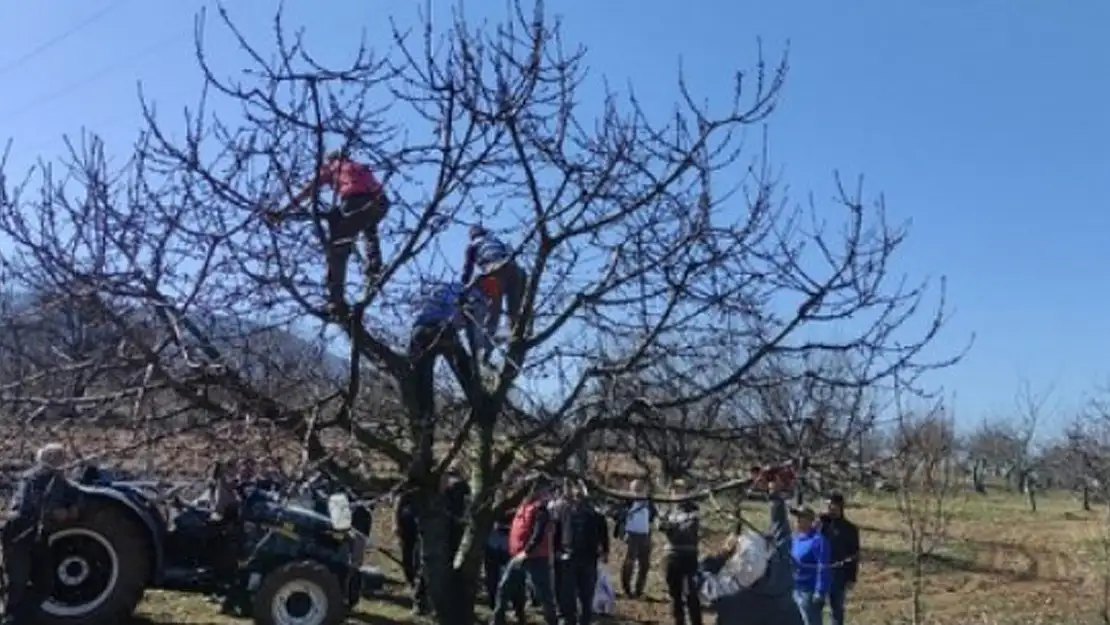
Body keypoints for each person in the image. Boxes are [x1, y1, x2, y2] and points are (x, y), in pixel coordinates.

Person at [265, 149, 390, 312]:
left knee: (337, 249)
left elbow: (308, 190)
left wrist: (284, 211)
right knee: (369, 228)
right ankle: (375, 266)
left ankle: (335, 300)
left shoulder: (333, 167)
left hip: (354, 201)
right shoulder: (359, 166)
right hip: (380, 202)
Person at [698, 466, 804, 625]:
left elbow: (700, 577)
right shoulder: (782, 578)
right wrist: (774, 493)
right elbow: (780, 528)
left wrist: (722, 555)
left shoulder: (728, 596)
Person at [2, 443, 81, 625]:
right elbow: (31, 505)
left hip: (39, 536)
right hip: (19, 532)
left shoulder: (63, 482)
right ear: (45, 460)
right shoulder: (32, 479)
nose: (62, 462)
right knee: (17, 581)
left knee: (44, 583)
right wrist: (56, 512)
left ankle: (22, 617)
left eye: (63, 457)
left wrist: (71, 510)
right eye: (57, 458)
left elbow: (75, 499)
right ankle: (11, 617)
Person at [406, 282, 490, 417]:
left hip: (419, 331)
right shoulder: (480, 300)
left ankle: (423, 420)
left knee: (420, 383)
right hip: (443, 328)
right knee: (464, 366)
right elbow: (475, 336)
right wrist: (484, 355)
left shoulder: (452, 286)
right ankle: (483, 408)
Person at [491, 478, 559, 625]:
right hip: (516, 557)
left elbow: (538, 534)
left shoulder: (540, 510)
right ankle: (497, 620)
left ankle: (553, 621)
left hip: (535, 557)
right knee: (504, 587)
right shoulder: (522, 507)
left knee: (544, 594)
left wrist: (526, 552)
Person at [462, 226, 528, 350]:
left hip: (493, 273)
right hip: (515, 270)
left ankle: (487, 349)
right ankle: (512, 338)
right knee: (514, 312)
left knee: (493, 312)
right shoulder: (496, 241)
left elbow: (467, 271)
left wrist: (464, 290)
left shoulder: (472, 246)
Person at [552, 482, 609, 625]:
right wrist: (556, 550)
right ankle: (569, 620)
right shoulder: (564, 510)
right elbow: (557, 532)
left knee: (587, 593)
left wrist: (605, 552)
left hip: (588, 558)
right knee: (568, 593)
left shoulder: (595, 515)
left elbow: (604, 535)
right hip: (568, 557)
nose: (579, 499)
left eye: (581, 496)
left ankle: (585, 620)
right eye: (576, 495)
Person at [658, 480, 702, 625]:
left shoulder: (693, 509)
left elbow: (687, 531)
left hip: (688, 555)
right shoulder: (668, 510)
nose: (677, 493)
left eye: (680, 489)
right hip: (671, 555)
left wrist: (672, 528)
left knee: (691, 593)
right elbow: (661, 526)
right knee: (674, 594)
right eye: (674, 490)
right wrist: (670, 527)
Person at [820, 493, 860, 625]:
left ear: (840, 507)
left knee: (836, 609)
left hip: (838, 573)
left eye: (833, 505)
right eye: (828, 505)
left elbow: (854, 554)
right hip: (818, 572)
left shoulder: (850, 529)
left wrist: (851, 577)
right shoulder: (821, 525)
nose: (830, 508)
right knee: (813, 608)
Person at [791, 506, 830, 625]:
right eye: (796, 517)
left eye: (800, 517)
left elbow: (823, 566)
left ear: (809, 520)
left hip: (809, 591)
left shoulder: (818, 540)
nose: (797, 520)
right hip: (794, 589)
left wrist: (820, 591)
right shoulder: (795, 539)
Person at [618, 479, 656, 598]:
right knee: (629, 563)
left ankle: (639, 590)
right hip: (631, 535)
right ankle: (627, 589)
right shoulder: (627, 501)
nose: (638, 491)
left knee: (644, 564)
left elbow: (653, 516)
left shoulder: (648, 502)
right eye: (635, 489)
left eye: (640, 488)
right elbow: (619, 516)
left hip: (645, 534)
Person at [393, 482, 423, 613]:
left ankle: (417, 586)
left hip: (420, 532)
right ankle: (410, 582)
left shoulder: (426, 494)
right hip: (406, 530)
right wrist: (396, 526)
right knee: (407, 558)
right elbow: (396, 509)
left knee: (417, 560)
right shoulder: (404, 494)